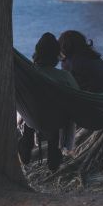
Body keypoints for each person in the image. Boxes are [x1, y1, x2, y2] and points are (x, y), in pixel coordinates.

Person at [18, 32, 78, 171]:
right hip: (55, 122)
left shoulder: (28, 73)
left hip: (31, 119)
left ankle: (25, 150)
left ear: (37, 52)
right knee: (59, 116)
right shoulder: (64, 77)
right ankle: (54, 164)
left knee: (29, 110)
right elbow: (78, 96)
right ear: (56, 55)